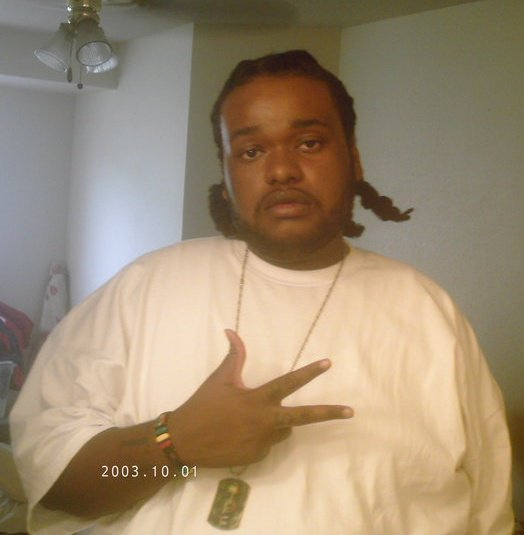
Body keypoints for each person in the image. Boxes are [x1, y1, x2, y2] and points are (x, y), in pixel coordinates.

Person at [10, 50, 513, 534]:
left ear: (354, 159)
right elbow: (57, 483)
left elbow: (489, 512)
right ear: (227, 178)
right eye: (251, 151)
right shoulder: (145, 288)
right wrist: (172, 444)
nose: (281, 170)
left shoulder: (429, 312)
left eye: (309, 143)